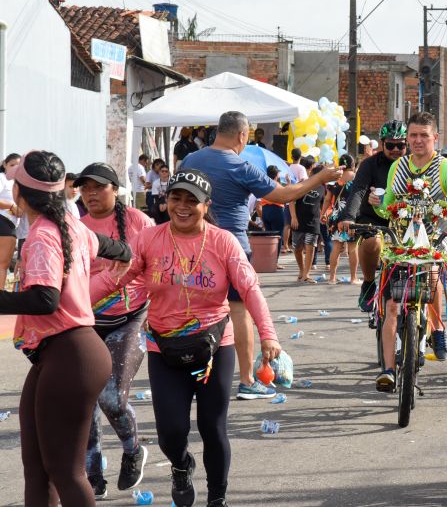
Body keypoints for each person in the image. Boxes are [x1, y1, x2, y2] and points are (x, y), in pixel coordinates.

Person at [90, 169, 281, 507]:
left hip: (213, 346)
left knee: (212, 427)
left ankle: (217, 498)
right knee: (171, 431)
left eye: (192, 200)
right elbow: (114, 279)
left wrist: (268, 335)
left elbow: (249, 288)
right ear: (166, 201)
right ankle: (181, 466)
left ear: (206, 205)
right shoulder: (149, 239)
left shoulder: (223, 241)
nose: (182, 206)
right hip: (164, 348)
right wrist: (66, 304)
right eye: (176, 197)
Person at [179, 110, 342, 400]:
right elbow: (283, 195)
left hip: (192, 246)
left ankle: (189, 377)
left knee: (197, 311)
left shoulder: (190, 161)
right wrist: (319, 178)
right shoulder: (239, 166)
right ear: (242, 135)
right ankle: (246, 380)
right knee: (239, 311)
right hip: (233, 247)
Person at [5, 150, 131, 506]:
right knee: (38, 468)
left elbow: (45, 299)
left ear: (19, 192)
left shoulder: (46, 234)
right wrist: (126, 254)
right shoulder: (71, 226)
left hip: (71, 354)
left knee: (64, 470)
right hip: (64, 354)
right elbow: (110, 245)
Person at [372, 111, 447, 390]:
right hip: (400, 241)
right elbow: (388, 202)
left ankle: (437, 328)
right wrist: (375, 203)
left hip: (436, 238)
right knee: (390, 307)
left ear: (435, 138)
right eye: (413, 135)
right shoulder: (397, 167)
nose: (418, 140)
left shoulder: (445, 168)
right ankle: (387, 370)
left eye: (424, 135)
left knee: (432, 267)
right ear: (407, 138)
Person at [75, 162, 154, 499]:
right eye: (84, 188)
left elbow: (156, 265)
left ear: (115, 189)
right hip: (88, 323)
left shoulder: (138, 221)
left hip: (131, 318)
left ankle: (133, 448)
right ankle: (94, 475)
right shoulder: (77, 227)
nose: (90, 194)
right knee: (85, 401)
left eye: (98, 187)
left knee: (110, 397)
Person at [337, 120, 408, 312]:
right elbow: (358, 191)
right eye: (390, 145)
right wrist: (349, 217)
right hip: (373, 218)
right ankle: (368, 284)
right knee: (372, 243)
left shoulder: (413, 162)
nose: (395, 149)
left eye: (400, 145)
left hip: (407, 219)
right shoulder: (370, 164)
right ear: (382, 143)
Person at [323, 154, 359, 285]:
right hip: (352, 216)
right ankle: (353, 277)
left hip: (336, 216)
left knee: (336, 247)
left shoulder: (335, 179)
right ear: (353, 165)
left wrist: (323, 214)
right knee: (352, 247)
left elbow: (327, 199)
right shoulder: (357, 178)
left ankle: (332, 278)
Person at [289, 157, 323, 283]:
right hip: (298, 221)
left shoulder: (323, 188)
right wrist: (293, 217)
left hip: (313, 222)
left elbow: (323, 204)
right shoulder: (302, 184)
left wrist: (324, 214)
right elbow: (291, 200)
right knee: (297, 248)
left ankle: (306, 274)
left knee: (310, 247)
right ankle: (301, 270)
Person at [0, 153, 22, 290]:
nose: (15, 168)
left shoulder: (19, 184)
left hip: (11, 226)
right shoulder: (2, 178)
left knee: (3, 265)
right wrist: (12, 206)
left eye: (18, 165)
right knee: (2, 264)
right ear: (4, 165)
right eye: (12, 165)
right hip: (4, 222)